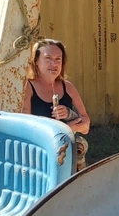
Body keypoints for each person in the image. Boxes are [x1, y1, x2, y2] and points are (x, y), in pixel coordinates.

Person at [21, 39, 91, 170]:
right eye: (48, 58)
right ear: (36, 61)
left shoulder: (68, 87)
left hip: (66, 153)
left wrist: (68, 114)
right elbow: (26, 128)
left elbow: (86, 126)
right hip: (40, 153)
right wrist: (66, 129)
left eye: (58, 59)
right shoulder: (27, 87)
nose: (53, 64)